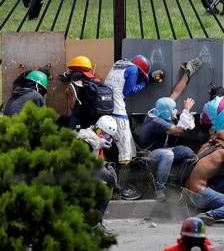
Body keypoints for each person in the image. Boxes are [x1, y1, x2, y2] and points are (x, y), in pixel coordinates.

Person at [139, 57, 203, 201]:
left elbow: (176, 92)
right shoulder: (156, 121)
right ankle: (160, 189)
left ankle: (182, 185)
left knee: (189, 153)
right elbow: (179, 130)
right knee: (168, 154)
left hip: (164, 148)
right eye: (173, 111)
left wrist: (187, 73)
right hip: (150, 153)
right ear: (166, 112)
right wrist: (186, 110)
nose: (175, 112)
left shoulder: (160, 109)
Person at [104, 54, 165, 200]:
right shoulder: (132, 70)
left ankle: (114, 186)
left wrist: (147, 77)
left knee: (113, 151)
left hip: (106, 112)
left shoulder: (118, 65)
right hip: (119, 114)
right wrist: (146, 82)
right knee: (126, 154)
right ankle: (121, 190)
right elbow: (127, 91)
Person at [77, 115, 119, 235]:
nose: (109, 138)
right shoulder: (86, 140)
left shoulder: (95, 139)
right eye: (107, 135)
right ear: (99, 130)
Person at [61, 55, 99, 129]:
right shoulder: (93, 85)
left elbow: (72, 105)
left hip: (78, 120)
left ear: (76, 72)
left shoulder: (74, 85)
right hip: (91, 120)